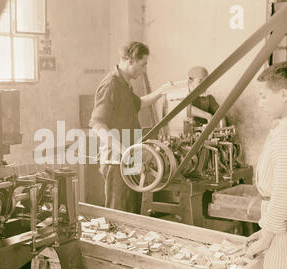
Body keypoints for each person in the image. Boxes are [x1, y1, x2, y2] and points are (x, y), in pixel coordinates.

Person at [89, 41, 167, 213]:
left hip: (129, 157)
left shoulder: (124, 84)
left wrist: (161, 91)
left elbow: (139, 103)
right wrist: (123, 151)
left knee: (132, 211)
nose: (144, 69)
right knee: (119, 213)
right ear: (129, 60)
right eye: (143, 64)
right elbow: (97, 124)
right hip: (117, 161)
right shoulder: (111, 85)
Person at [246, 61, 287, 269]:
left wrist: (266, 239)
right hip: (286, 222)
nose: (260, 103)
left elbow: (285, 196)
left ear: (284, 95)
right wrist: (263, 230)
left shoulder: (286, 137)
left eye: (264, 96)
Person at [162, 66, 221, 136]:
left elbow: (220, 113)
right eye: (200, 81)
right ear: (190, 81)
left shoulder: (208, 97)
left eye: (206, 81)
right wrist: (207, 116)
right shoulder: (179, 93)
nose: (205, 84)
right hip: (178, 136)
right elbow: (183, 108)